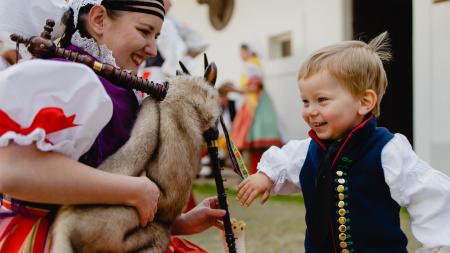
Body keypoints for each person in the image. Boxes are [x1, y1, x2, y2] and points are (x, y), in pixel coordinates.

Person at [0, 0, 225, 252]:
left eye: (156, 36)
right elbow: (12, 171)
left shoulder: (112, 85)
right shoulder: (73, 78)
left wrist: (179, 223)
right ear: (98, 19)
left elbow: (94, 198)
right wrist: (133, 189)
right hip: (48, 240)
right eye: (144, 31)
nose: (152, 49)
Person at [236, 32, 450, 253]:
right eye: (305, 101)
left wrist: (438, 246)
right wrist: (265, 176)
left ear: (364, 102)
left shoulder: (387, 150)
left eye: (322, 100)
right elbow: (285, 161)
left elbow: (431, 197)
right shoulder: (308, 151)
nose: (310, 111)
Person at [231, 44, 282, 174]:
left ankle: (256, 173)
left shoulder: (251, 64)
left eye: (243, 52)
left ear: (249, 52)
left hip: (256, 104)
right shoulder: (253, 63)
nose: (241, 55)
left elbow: (254, 87)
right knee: (254, 143)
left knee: (255, 141)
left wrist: (233, 89)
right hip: (254, 102)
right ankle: (256, 173)